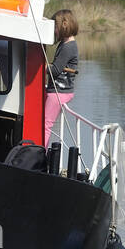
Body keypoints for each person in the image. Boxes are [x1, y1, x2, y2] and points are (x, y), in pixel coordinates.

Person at [45, 8, 79, 149]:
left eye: (55, 27)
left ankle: (40, 153)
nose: (54, 31)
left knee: (46, 124)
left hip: (59, 93)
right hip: (58, 90)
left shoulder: (68, 47)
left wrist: (41, 67)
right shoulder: (65, 44)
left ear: (64, 25)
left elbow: (55, 70)